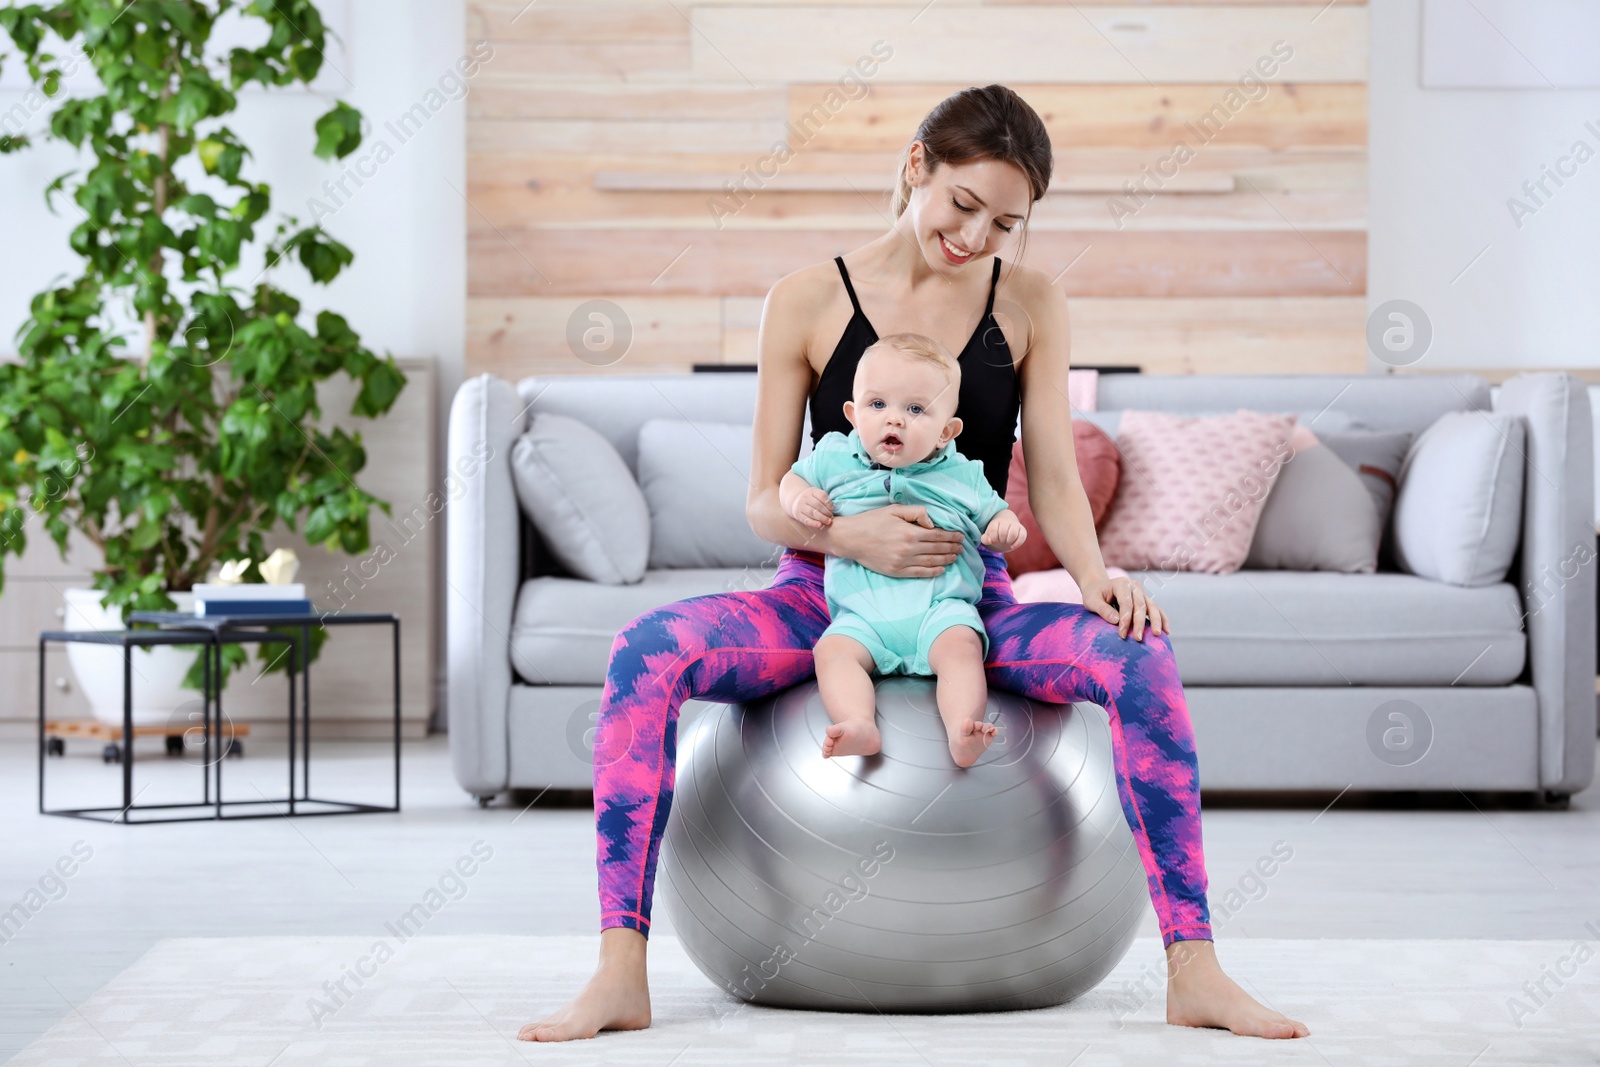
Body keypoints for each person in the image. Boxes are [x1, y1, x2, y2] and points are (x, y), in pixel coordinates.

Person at [522, 83, 1311, 1042]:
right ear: (915, 167)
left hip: (971, 600)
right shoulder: (807, 299)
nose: (977, 237)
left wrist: (1099, 577)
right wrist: (846, 536)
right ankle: (618, 970)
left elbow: (1054, 478)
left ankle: (1196, 969)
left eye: (1006, 223)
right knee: (646, 648)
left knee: (1140, 657)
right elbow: (764, 495)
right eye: (963, 205)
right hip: (818, 598)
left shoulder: (1029, 303)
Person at [781, 332, 1026, 766]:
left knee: (962, 651)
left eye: (915, 410)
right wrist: (799, 498)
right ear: (853, 415)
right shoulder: (833, 458)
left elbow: (997, 513)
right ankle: (858, 724)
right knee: (832, 653)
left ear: (945, 432)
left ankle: (962, 731)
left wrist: (1005, 529)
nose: (893, 420)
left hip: (940, 608)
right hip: (861, 616)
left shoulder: (963, 475)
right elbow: (788, 481)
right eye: (878, 406)